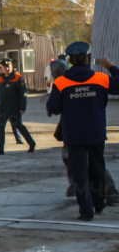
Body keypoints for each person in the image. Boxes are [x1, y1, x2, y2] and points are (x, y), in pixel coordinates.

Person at [47, 42, 119, 220]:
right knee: (97, 168)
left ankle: (86, 211)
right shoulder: (100, 78)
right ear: (87, 59)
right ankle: (99, 203)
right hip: (95, 132)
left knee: (79, 172)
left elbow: (53, 108)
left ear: (70, 61)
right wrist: (111, 67)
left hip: (74, 135)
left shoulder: (61, 82)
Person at [0, 58, 35, 155]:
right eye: (1, 68)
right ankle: (0, 149)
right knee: (0, 128)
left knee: (18, 126)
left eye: (2, 67)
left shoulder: (18, 77)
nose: (2, 69)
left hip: (14, 108)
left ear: (9, 67)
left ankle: (31, 143)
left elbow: (23, 94)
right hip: (2, 108)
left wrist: (22, 107)